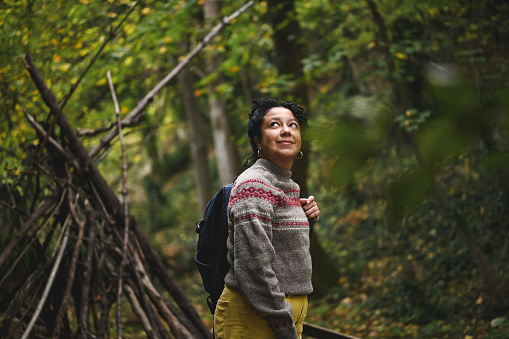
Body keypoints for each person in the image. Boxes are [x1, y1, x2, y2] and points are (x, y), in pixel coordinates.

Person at [213, 98, 320, 339]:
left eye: (293, 125)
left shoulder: (288, 184)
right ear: (258, 141)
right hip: (257, 317)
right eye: (274, 124)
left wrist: (307, 219)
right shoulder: (254, 185)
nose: (286, 130)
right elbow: (253, 264)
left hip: (282, 315)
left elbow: (285, 247)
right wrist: (282, 320)